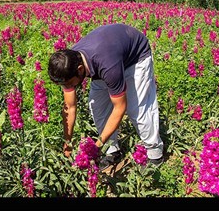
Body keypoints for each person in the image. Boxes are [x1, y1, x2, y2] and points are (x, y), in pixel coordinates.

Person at [48, 23, 164, 171]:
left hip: (135, 58)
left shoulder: (108, 67)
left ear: (80, 69)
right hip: (108, 56)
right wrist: (68, 142)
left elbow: (120, 108)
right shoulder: (68, 65)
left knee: (137, 109)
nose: (68, 87)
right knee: (97, 107)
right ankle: (112, 150)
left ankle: (154, 152)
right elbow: (70, 107)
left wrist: (97, 145)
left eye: (69, 84)